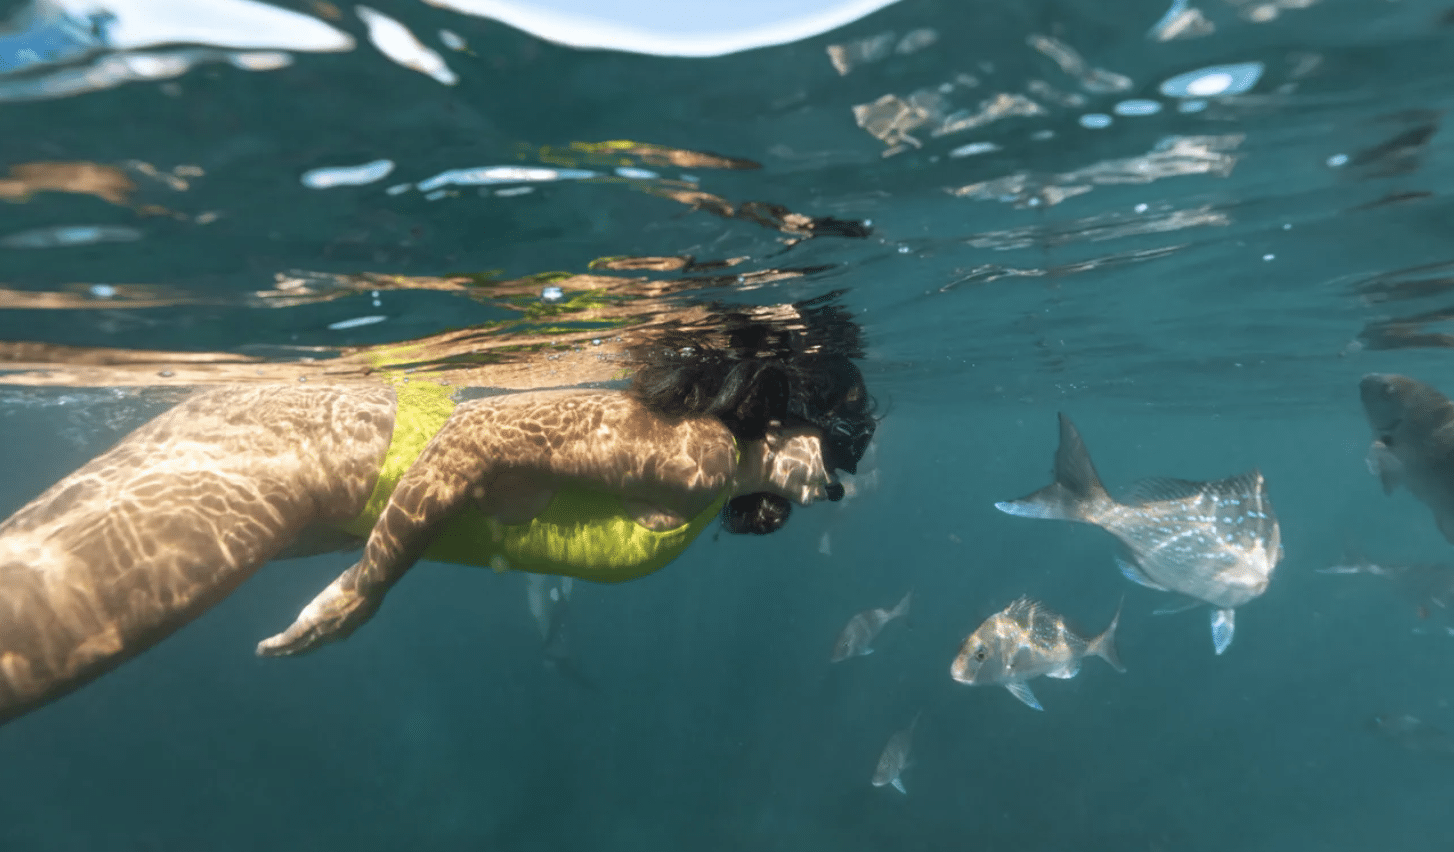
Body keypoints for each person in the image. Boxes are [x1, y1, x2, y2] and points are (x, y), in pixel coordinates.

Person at [0, 300, 876, 724]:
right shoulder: (704, 456)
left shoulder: (710, 474)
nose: (831, 478)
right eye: (831, 447)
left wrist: (333, 542)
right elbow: (475, 435)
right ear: (788, 407)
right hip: (293, 453)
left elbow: (499, 490)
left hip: (317, 473)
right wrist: (366, 588)